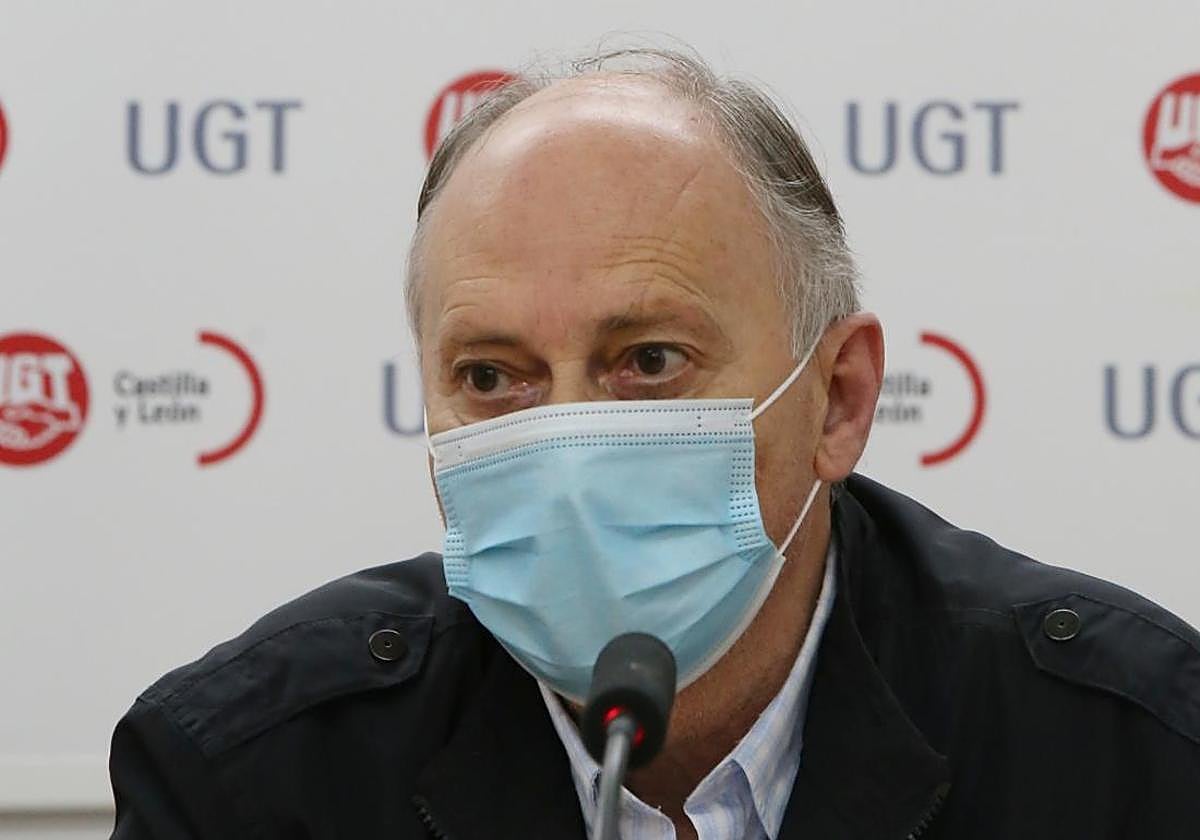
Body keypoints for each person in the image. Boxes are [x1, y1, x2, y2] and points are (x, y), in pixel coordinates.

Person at [108, 47, 1200, 840]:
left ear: (838, 400)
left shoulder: (1132, 756)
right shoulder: (249, 780)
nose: (567, 447)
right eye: (490, 377)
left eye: (649, 360)